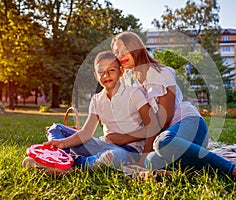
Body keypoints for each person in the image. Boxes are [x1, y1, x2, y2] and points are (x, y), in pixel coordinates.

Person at [110, 31, 236, 188]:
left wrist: (135, 141)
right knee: (150, 162)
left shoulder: (160, 73)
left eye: (124, 49)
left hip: (189, 125)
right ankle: (230, 163)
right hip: (170, 141)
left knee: (163, 143)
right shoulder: (129, 82)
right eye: (117, 52)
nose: (121, 55)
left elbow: (163, 119)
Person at [22, 51, 160, 174]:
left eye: (111, 70)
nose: (106, 75)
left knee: (112, 156)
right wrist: (63, 143)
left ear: (121, 71)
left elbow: (153, 126)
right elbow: (86, 133)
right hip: (102, 145)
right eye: (101, 72)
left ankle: (70, 165)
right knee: (56, 129)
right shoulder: (97, 99)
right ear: (95, 75)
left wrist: (143, 159)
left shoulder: (134, 93)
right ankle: (61, 161)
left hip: (129, 152)